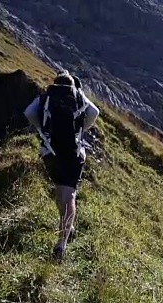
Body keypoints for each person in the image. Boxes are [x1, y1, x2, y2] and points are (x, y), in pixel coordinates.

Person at [23, 70, 100, 260]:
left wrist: (42, 129)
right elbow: (95, 112)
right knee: (70, 194)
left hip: (51, 152)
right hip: (73, 154)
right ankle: (62, 244)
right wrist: (80, 131)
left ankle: (67, 224)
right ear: (72, 85)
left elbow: (28, 112)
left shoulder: (46, 97)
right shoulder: (79, 96)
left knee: (60, 191)